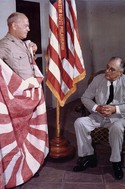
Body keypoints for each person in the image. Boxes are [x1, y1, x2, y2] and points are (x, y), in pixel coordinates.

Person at [0, 12, 49, 188]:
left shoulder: (23, 44)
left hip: (32, 96)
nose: (29, 28)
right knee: (16, 136)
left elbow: (27, 66)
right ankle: (16, 171)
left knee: (29, 133)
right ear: (13, 25)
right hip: (17, 102)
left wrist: (31, 49)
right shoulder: (4, 45)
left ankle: (28, 166)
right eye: (26, 25)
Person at [73, 57, 125, 180]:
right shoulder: (98, 79)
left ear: (120, 73)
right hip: (98, 116)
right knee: (80, 123)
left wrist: (116, 109)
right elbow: (85, 98)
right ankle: (89, 157)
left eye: (112, 69)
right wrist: (96, 108)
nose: (107, 71)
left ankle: (116, 163)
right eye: (107, 67)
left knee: (116, 127)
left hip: (120, 117)